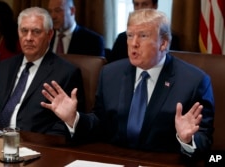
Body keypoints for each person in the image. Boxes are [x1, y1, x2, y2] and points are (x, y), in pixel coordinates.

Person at [41, 9, 214, 157]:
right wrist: (74, 119)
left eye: (143, 36)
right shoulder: (110, 74)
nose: (134, 44)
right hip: (116, 160)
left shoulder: (194, 81)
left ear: (164, 43)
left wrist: (187, 139)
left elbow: (204, 141)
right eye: (130, 35)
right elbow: (100, 124)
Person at [0, 7, 85, 137]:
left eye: (36, 32)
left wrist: (41, 144)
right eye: (24, 31)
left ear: (49, 35)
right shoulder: (4, 66)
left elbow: (66, 122)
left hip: (35, 145)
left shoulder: (66, 72)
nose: (28, 38)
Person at [108, 0, 179, 63]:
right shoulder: (122, 38)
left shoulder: (168, 38)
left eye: (145, 4)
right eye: (136, 4)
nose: (140, 9)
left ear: (155, 6)